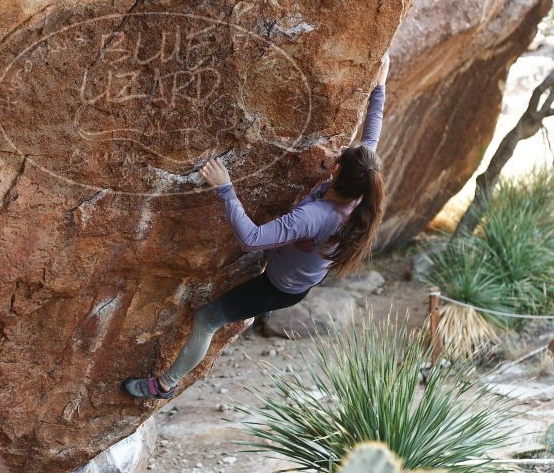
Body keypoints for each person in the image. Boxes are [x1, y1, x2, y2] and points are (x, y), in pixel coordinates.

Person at [124, 54, 391, 400]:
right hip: (298, 269)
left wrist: (225, 187)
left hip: (279, 285)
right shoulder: (364, 184)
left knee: (207, 319)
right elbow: (371, 135)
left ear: (337, 170)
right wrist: (380, 87)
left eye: (340, 156)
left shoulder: (315, 217)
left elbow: (252, 239)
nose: (338, 151)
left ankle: (163, 385)